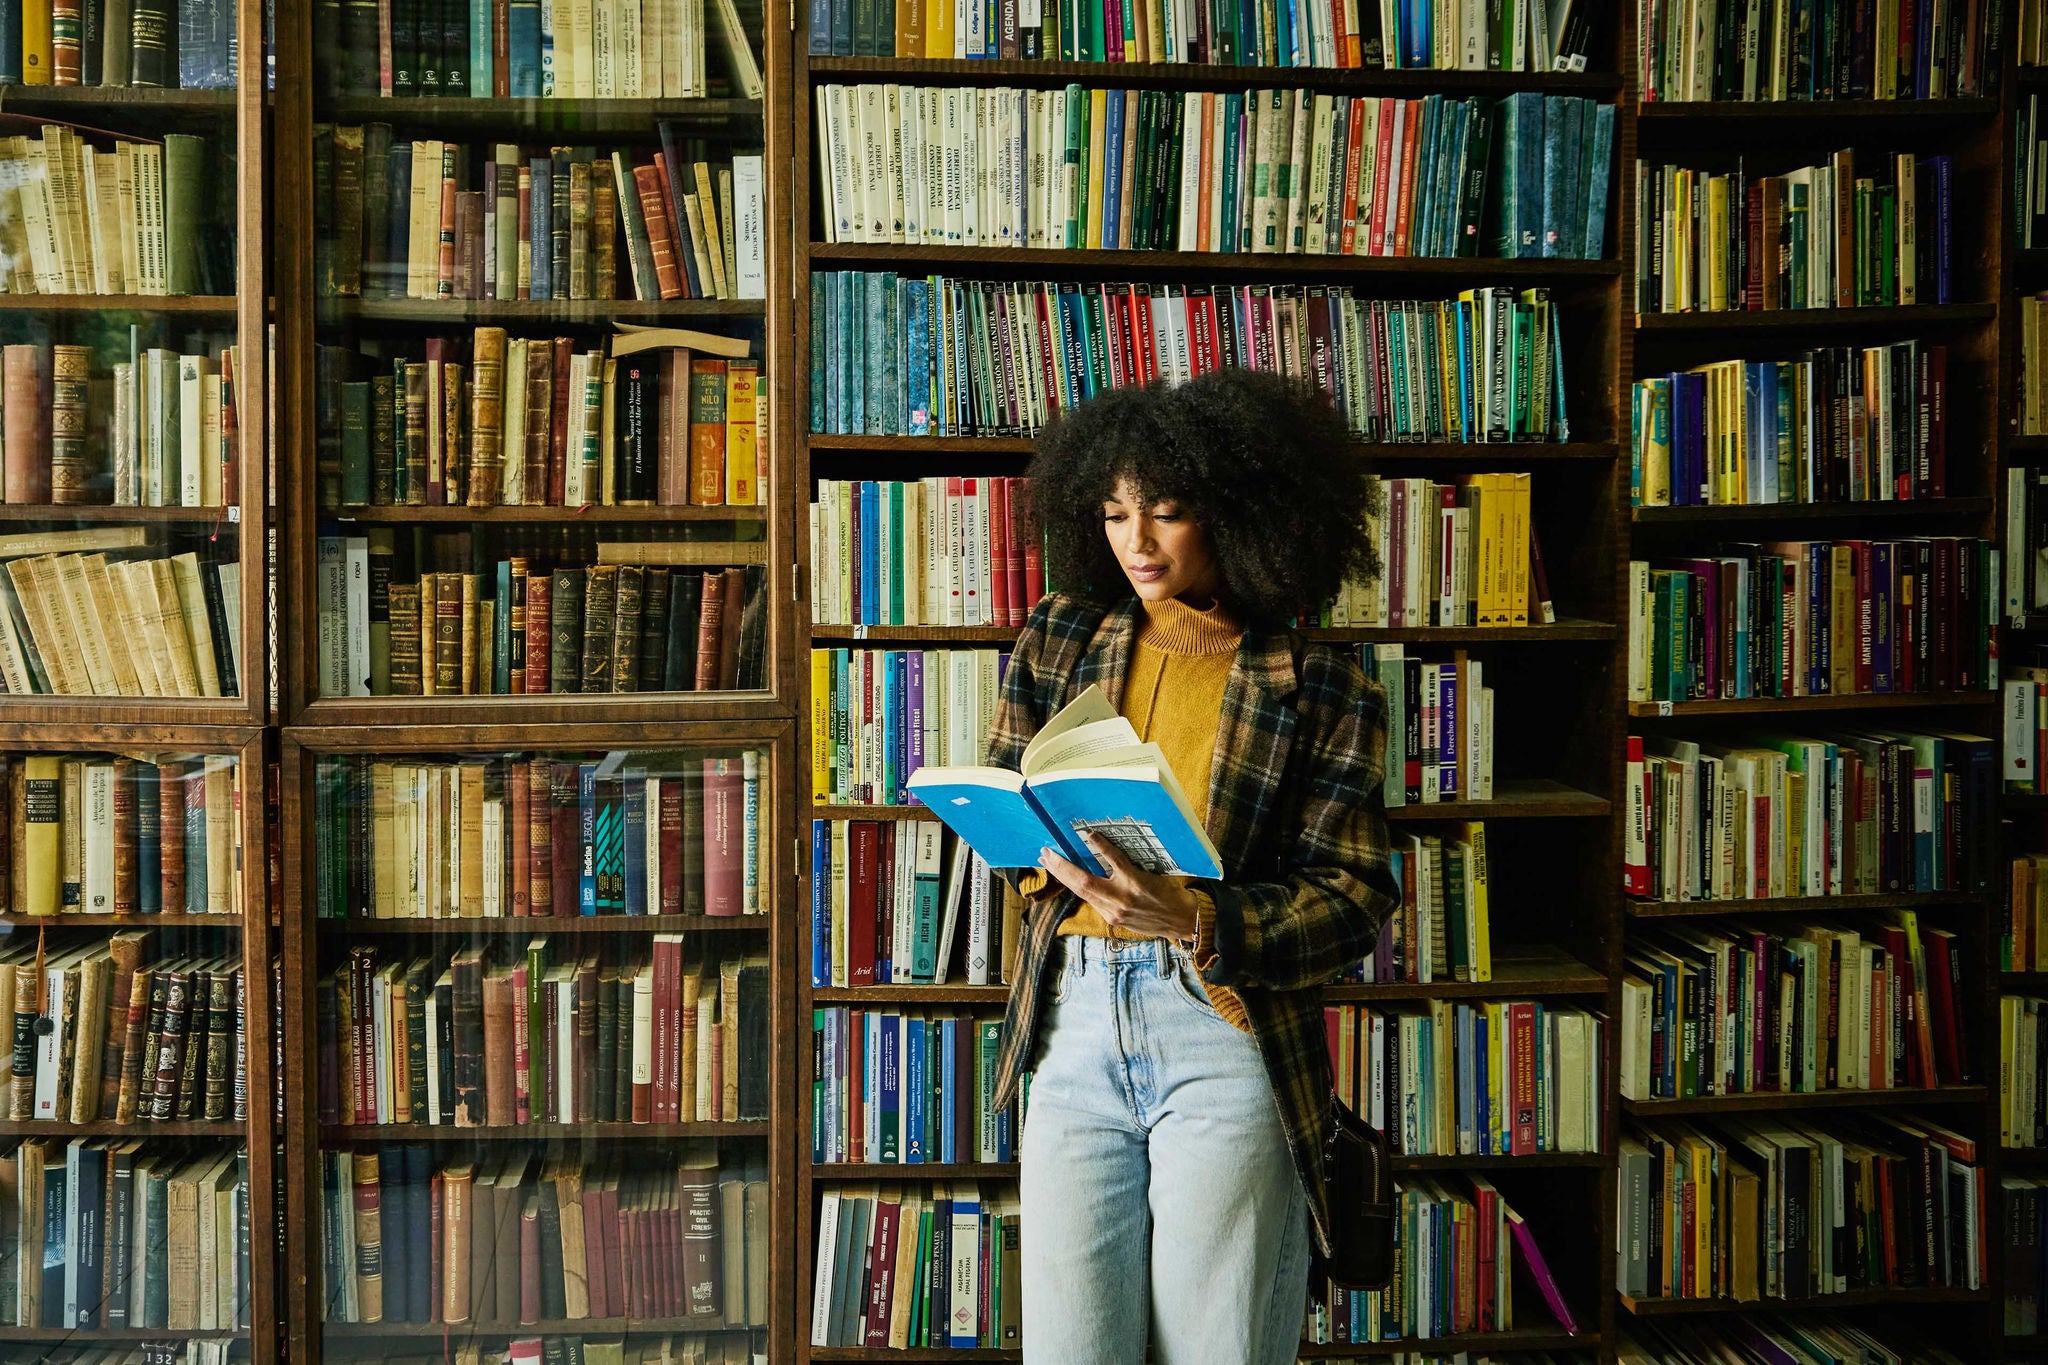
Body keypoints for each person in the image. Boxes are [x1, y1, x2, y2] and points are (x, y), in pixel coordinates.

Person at [984, 367, 1401, 1364]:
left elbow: (1352, 900)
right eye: (1116, 512)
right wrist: (1034, 851)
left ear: (1244, 516)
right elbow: (1007, 792)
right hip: (1072, 1022)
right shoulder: (1058, 635)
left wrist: (1200, 917)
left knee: (1216, 1345)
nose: (1134, 542)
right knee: (1071, 1348)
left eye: (1166, 514)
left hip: (1220, 1027)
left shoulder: (1320, 683)